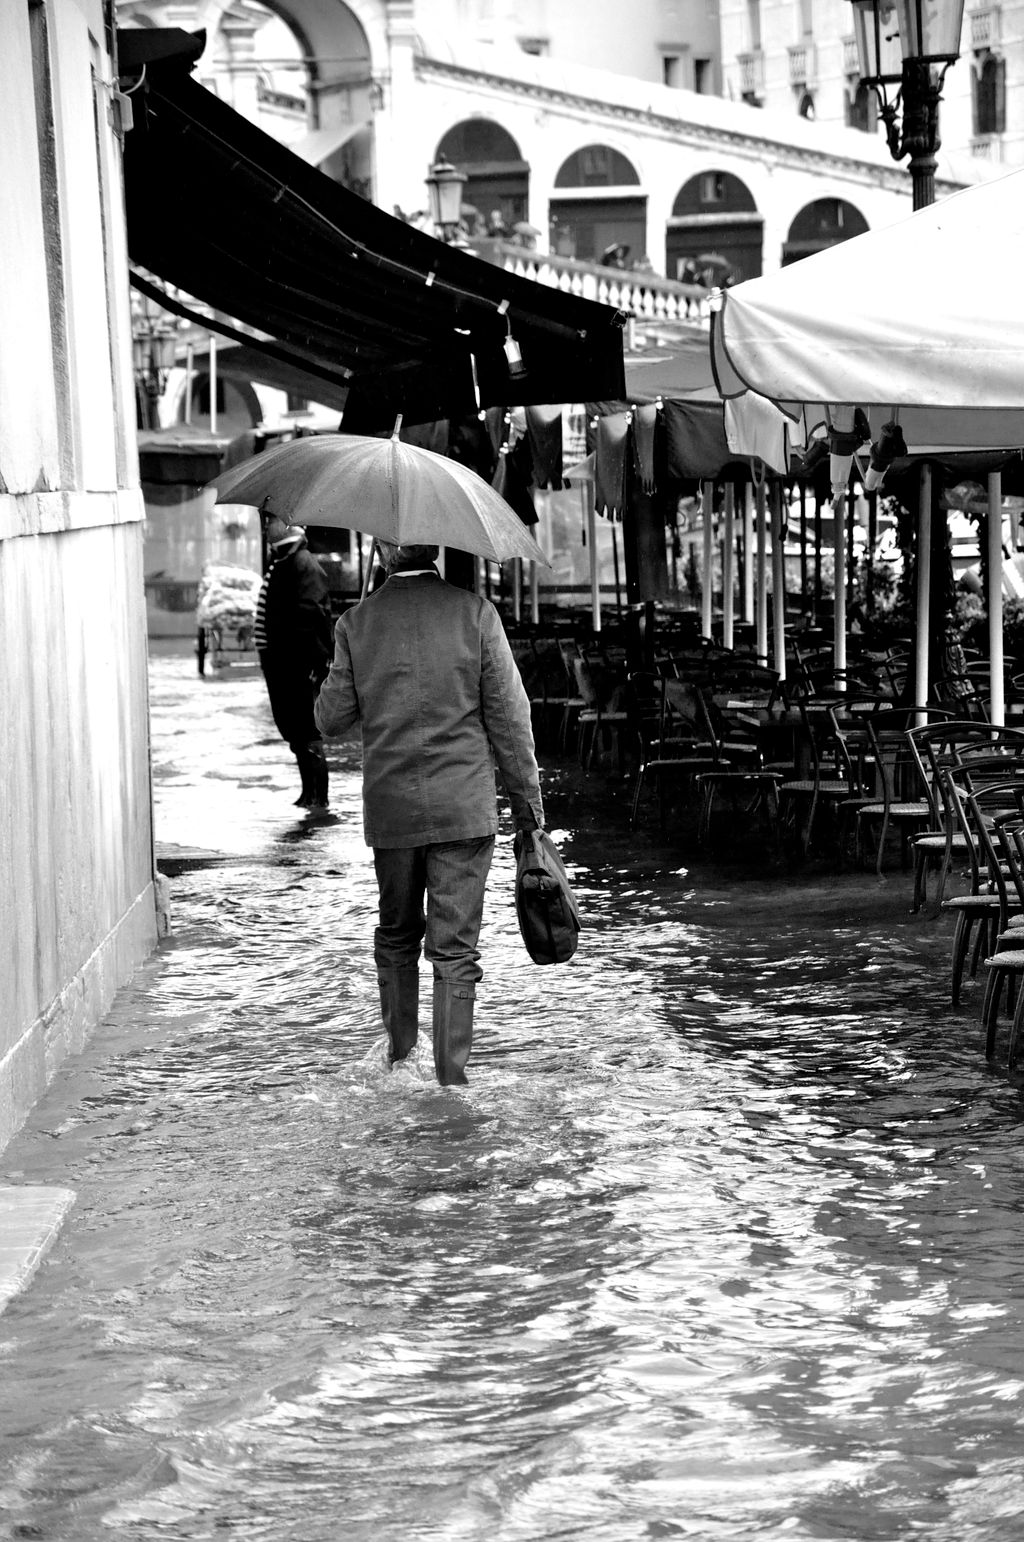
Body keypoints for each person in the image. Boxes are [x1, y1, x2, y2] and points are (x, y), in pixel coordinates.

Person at [314, 542, 543, 1086]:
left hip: (393, 812)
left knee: (397, 935)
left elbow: (330, 719)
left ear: (383, 549)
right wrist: (528, 810)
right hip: (464, 809)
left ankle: (400, 1063)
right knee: (455, 951)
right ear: (435, 546)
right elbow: (511, 722)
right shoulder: (476, 615)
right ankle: (450, 1082)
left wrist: (346, 652)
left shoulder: (356, 623)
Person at [260, 516, 334, 812]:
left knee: (306, 730)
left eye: (270, 521)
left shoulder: (302, 563)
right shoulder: (284, 560)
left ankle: (318, 798)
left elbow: (311, 616)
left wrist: (313, 663)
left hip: (295, 666)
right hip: (282, 664)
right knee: (294, 730)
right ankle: (308, 793)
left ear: (287, 524)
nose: (266, 527)